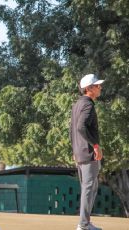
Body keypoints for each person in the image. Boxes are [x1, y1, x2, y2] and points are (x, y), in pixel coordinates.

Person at [70, 74, 104, 230]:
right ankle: (83, 225)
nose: (100, 88)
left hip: (80, 153)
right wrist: (95, 145)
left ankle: (85, 222)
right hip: (88, 152)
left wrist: (75, 151)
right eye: (97, 85)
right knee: (89, 187)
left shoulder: (77, 104)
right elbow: (80, 127)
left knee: (91, 186)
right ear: (89, 88)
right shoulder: (88, 105)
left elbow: (73, 130)